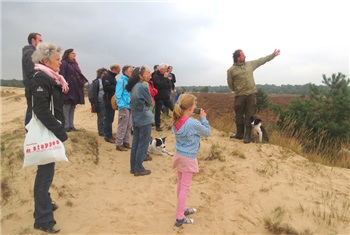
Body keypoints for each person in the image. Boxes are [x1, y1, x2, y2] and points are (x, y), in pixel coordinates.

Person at [29, 42, 69, 233]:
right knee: (44, 175)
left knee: (47, 172)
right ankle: (43, 218)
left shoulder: (50, 77)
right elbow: (41, 110)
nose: (60, 63)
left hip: (50, 130)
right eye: (57, 60)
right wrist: (59, 131)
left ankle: (44, 204)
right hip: (45, 132)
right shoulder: (40, 78)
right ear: (45, 60)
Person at [172, 93, 210, 227]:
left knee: (181, 184)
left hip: (179, 155)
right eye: (194, 105)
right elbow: (207, 132)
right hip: (188, 158)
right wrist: (203, 118)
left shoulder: (175, 120)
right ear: (190, 108)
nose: (196, 107)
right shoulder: (193, 123)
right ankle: (179, 218)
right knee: (185, 187)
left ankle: (183, 209)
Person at [227, 49, 280, 143]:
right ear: (238, 58)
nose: (245, 57)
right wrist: (238, 90)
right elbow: (231, 84)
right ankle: (239, 134)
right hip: (240, 96)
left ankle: (247, 136)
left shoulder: (250, 64)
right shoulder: (231, 71)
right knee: (238, 115)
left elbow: (261, 60)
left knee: (249, 115)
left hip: (251, 95)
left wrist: (273, 55)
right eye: (243, 55)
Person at [125, 66, 154, 176]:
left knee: (136, 143)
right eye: (147, 72)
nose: (149, 74)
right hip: (144, 118)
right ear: (140, 76)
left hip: (136, 118)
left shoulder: (134, 86)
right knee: (143, 144)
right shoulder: (142, 86)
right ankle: (139, 168)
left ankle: (133, 167)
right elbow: (150, 101)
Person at [59, 49, 88, 132]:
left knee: (72, 107)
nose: (74, 54)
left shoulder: (75, 64)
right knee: (66, 107)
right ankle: (66, 126)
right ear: (68, 54)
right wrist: (64, 87)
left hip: (75, 89)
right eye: (72, 53)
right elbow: (62, 76)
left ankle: (71, 125)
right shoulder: (64, 63)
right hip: (68, 88)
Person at [22, 32, 43, 127]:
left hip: (33, 85)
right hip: (32, 86)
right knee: (32, 108)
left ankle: (30, 130)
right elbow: (32, 71)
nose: (42, 43)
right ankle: (28, 130)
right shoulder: (30, 52)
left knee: (34, 108)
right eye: (40, 41)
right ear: (33, 40)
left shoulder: (33, 52)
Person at [115, 65, 134, 151]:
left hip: (129, 106)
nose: (132, 73)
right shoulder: (121, 81)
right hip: (124, 106)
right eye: (131, 71)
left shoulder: (129, 81)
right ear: (126, 72)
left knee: (129, 125)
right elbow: (118, 94)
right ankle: (119, 144)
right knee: (122, 125)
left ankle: (126, 142)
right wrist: (121, 105)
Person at [152, 63, 174, 131]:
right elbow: (160, 85)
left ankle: (177, 123)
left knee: (174, 109)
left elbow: (169, 85)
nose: (167, 70)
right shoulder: (155, 76)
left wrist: (163, 84)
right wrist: (164, 79)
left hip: (166, 96)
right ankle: (158, 126)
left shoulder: (166, 75)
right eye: (165, 69)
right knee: (158, 112)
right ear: (161, 69)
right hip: (159, 97)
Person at [102, 64, 121, 143]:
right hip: (108, 99)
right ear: (115, 69)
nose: (119, 71)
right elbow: (106, 87)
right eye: (118, 70)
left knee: (111, 118)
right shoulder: (107, 76)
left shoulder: (112, 77)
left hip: (112, 99)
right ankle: (108, 136)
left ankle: (109, 135)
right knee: (108, 118)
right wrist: (117, 87)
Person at [90, 67, 108, 136]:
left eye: (106, 73)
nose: (105, 74)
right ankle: (101, 131)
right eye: (104, 73)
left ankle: (106, 131)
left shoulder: (107, 81)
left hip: (107, 101)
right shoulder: (96, 82)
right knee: (101, 118)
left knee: (106, 118)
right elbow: (91, 93)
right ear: (100, 74)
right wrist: (93, 103)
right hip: (100, 102)